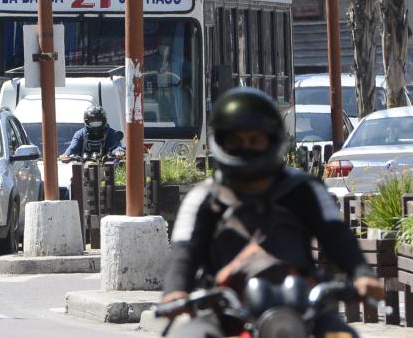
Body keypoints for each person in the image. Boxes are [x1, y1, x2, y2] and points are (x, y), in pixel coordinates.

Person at [159, 87, 384, 337]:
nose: (246, 148)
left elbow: (336, 234)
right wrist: (175, 290)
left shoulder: (304, 189)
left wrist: (363, 275)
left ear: (272, 140)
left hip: (304, 306)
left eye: (255, 140)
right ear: (221, 143)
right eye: (236, 142)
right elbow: (185, 249)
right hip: (225, 312)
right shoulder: (204, 197)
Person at [59, 105, 124, 161]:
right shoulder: (80, 134)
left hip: (108, 168)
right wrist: (66, 155)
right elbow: (72, 148)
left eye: (98, 119)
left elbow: (116, 146)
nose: (95, 121)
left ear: (104, 119)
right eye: (92, 120)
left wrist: (119, 152)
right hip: (82, 168)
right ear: (86, 120)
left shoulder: (111, 133)